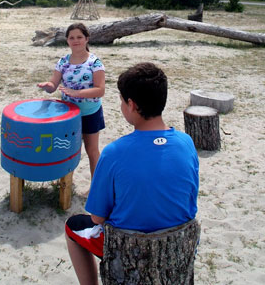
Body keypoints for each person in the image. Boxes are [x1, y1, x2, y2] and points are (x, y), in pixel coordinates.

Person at [64, 62, 199, 285]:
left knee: (74, 226)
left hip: (127, 248)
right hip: (177, 243)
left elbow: (97, 217)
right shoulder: (186, 144)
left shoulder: (114, 153)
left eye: (121, 101)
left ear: (131, 105)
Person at [37, 23, 105, 180]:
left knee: (91, 149)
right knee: (68, 149)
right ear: (67, 40)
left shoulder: (95, 62)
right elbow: (53, 84)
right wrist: (48, 86)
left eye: (80, 37)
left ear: (87, 39)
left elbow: (100, 90)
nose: (76, 41)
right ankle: (65, 185)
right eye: (72, 37)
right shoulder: (63, 62)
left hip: (90, 112)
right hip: (68, 114)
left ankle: (96, 186)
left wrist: (78, 93)